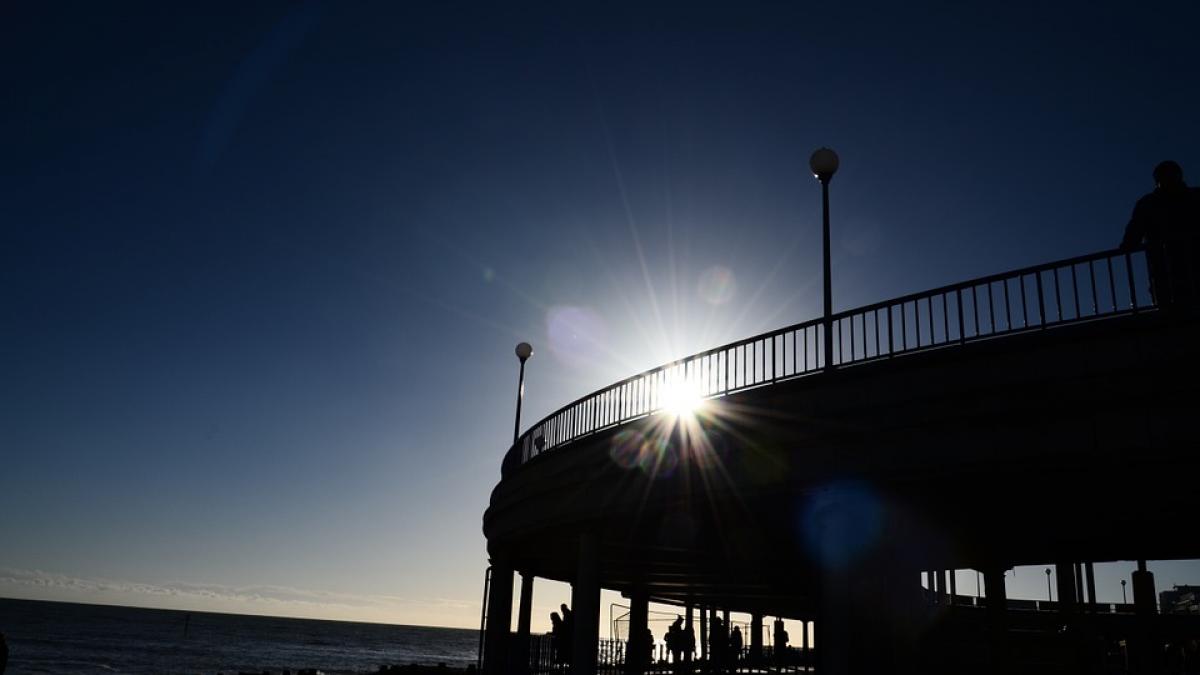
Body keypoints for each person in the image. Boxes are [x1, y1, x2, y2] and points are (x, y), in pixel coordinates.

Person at [1121, 160, 1200, 306]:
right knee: (1169, 307)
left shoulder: (1194, 197)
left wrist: (1127, 244)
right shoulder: (1149, 203)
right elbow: (1134, 231)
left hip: (1179, 266)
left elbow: (1134, 233)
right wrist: (1128, 244)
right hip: (1165, 269)